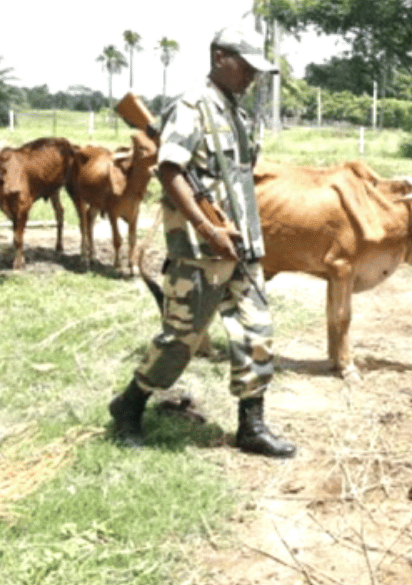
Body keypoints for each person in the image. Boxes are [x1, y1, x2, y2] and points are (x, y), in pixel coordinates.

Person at [109, 27, 295, 458]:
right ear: (218, 58)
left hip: (242, 243)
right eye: (244, 66)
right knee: (181, 340)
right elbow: (171, 171)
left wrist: (240, 232)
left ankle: (251, 426)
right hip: (200, 250)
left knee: (256, 333)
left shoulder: (236, 113)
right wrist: (210, 229)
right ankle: (128, 406)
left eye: (254, 69)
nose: (250, 76)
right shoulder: (193, 106)